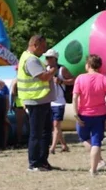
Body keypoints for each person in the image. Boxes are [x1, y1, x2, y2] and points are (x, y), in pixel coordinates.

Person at [17, 35, 55, 171]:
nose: (44, 51)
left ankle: (42, 161)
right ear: (35, 44)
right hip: (35, 100)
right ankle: (34, 163)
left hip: (41, 99)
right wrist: (52, 70)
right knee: (36, 134)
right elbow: (43, 77)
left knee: (45, 133)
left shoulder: (32, 58)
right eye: (43, 47)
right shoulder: (31, 60)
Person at [72, 55, 106, 176]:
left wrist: (75, 113)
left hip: (83, 114)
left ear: (88, 65)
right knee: (96, 142)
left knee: (83, 137)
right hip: (100, 114)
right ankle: (94, 169)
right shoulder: (105, 79)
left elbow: (75, 97)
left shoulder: (80, 78)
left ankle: (98, 162)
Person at [46, 49, 73, 154]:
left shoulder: (62, 69)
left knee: (56, 125)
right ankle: (64, 145)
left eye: (49, 57)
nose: (47, 59)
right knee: (55, 126)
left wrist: (62, 81)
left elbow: (73, 80)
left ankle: (52, 148)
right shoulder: (45, 69)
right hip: (49, 101)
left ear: (55, 59)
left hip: (59, 101)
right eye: (46, 57)